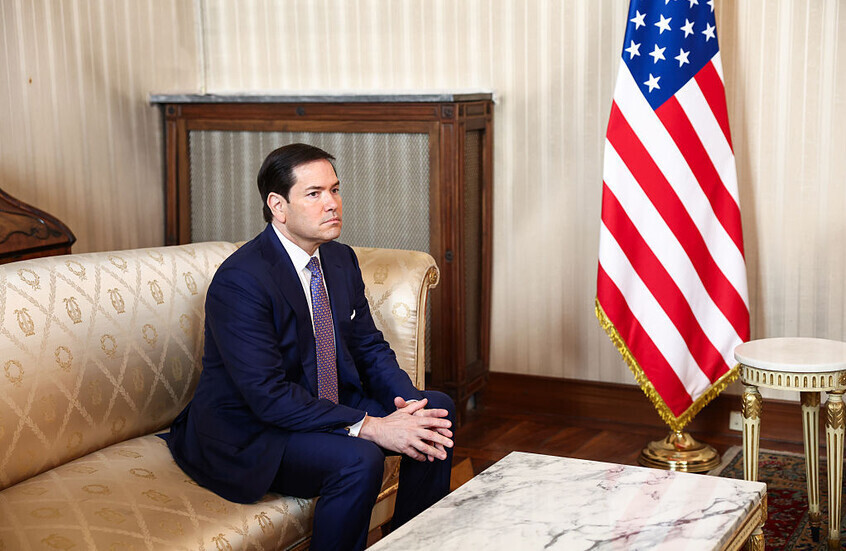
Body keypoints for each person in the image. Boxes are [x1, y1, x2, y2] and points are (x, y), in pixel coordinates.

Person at [167, 143, 455, 551]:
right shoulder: (242, 280)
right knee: (360, 459)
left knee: (437, 412)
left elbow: (368, 346)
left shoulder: (339, 260)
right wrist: (373, 426)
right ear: (278, 206)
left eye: (335, 190)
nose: (332, 203)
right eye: (314, 193)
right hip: (256, 429)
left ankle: (412, 543)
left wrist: (410, 407)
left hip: (321, 401)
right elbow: (268, 396)